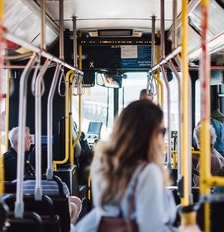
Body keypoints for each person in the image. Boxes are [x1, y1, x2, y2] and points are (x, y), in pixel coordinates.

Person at [74, 99, 176, 231]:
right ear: (148, 134)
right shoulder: (149, 172)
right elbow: (152, 228)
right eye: (162, 131)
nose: (163, 138)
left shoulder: (104, 164)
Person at [23, 150, 83, 225]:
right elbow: (66, 207)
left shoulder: (23, 185)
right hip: (53, 219)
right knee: (73, 206)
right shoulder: (60, 185)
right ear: (50, 165)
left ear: (31, 166)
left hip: (31, 219)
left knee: (76, 201)